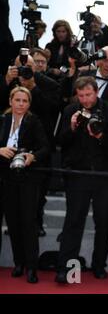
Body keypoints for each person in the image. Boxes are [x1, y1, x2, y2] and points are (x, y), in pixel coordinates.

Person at [55, 76, 108, 283]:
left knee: (103, 222)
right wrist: (72, 127)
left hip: (104, 176)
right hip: (78, 175)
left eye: (88, 95)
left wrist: (100, 136)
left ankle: (99, 266)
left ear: (96, 92)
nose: (84, 100)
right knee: (73, 222)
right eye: (81, 95)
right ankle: (66, 268)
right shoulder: (69, 111)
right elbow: (59, 142)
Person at [0, 86, 50, 284]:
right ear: (11, 101)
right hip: (6, 179)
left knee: (28, 223)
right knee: (12, 222)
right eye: (17, 100)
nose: (21, 104)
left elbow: (46, 147)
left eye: (24, 101)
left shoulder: (33, 121)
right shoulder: (2, 121)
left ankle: (31, 266)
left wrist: (32, 156)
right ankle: (18, 263)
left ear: (29, 104)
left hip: (28, 178)